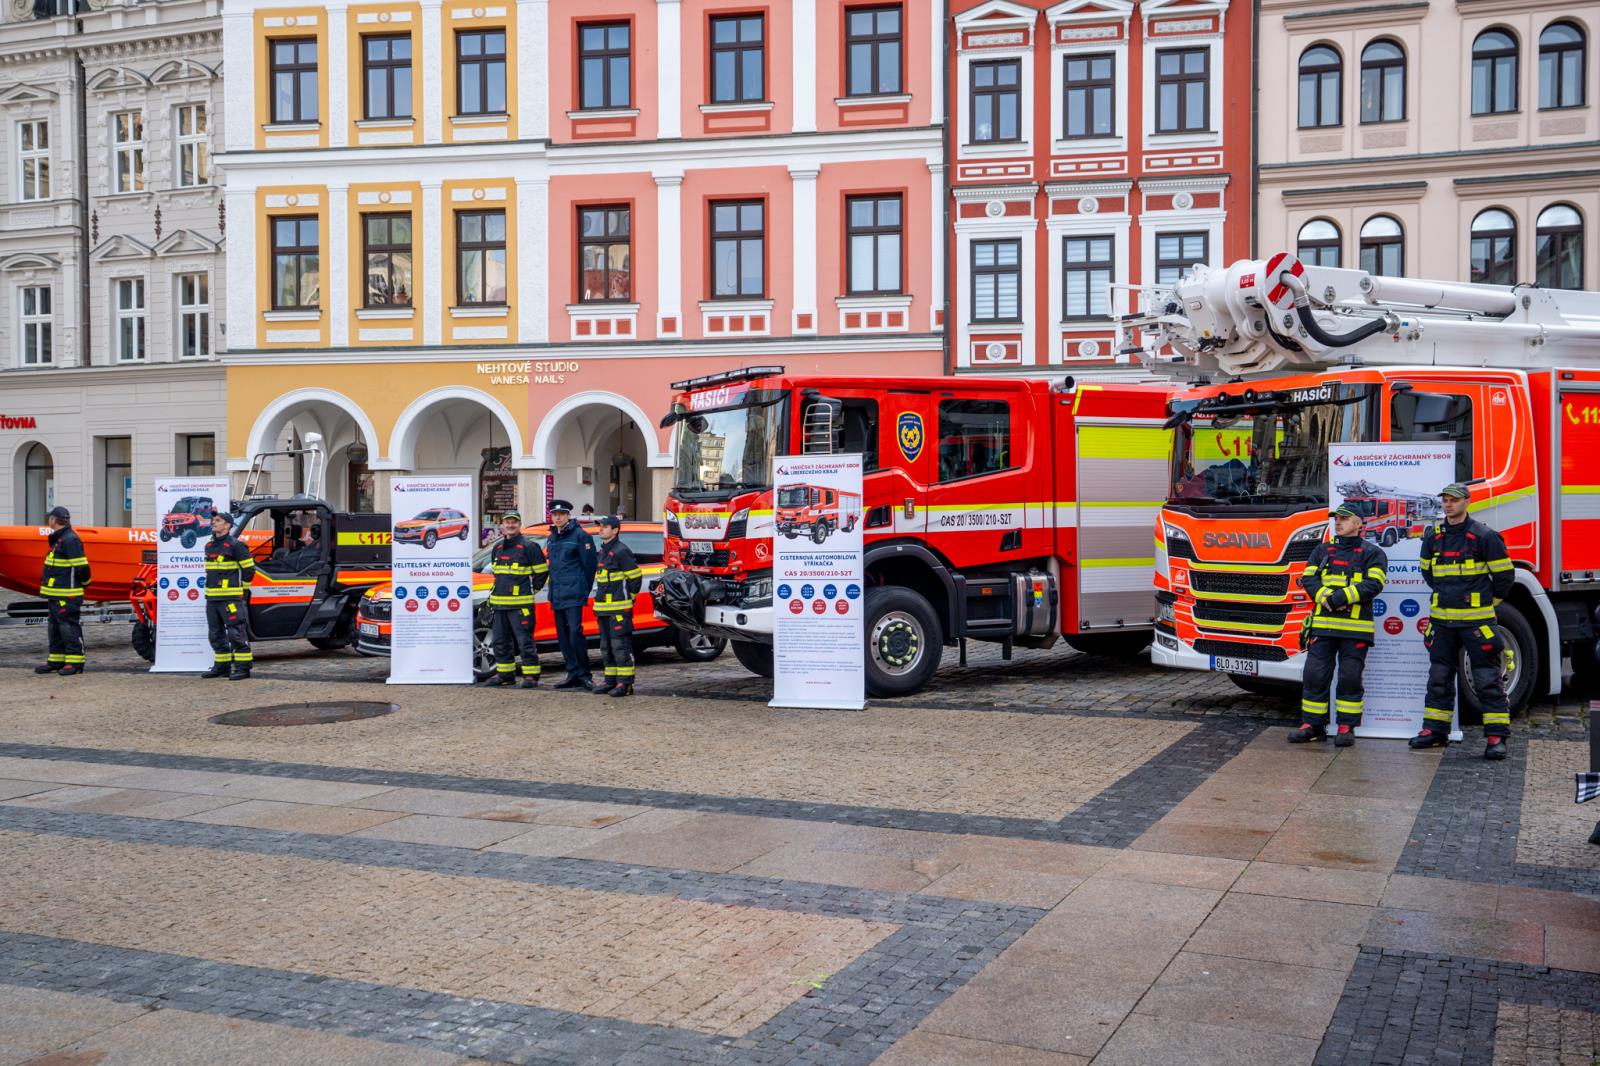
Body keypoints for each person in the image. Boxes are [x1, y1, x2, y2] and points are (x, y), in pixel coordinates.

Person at [1412, 482, 1516, 759]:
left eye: (1454, 500)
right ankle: (1435, 731)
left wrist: (1486, 605)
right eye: (1445, 500)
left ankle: (1496, 737)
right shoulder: (1432, 536)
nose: (1448, 504)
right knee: (1439, 678)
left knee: (1486, 680)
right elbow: (1428, 574)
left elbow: (1505, 578)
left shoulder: (1485, 536)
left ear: (1467, 502)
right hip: (1442, 623)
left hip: (1477, 624)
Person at [1289, 504, 1387, 746]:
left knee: (1350, 678)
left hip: (1355, 630)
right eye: (1336, 518)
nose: (1338, 522)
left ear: (1359, 523)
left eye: (1344, 518)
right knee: (1314, 676)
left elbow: (1374, 585)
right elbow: (1309, 579)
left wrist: (1340, 598)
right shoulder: (1321, 550)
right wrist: (1326, 598)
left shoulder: (1373, 553)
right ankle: (1312, 725)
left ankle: (1346, 726)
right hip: (1323, 626)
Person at [480, 509, 549, 689]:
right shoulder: (497, 548)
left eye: (514, 522)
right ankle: (505, 675)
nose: (511, 525)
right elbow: (498, 577)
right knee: (500, 642)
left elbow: (542, 573)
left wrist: (530, 592)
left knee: (524, 641)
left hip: (521, 606)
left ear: (519, 525)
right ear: (502, 525)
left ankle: (531, 676)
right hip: (499, 605)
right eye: (507, 522)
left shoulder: (529, 547)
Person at [544, 499, 597, 689]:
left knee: (575, 633)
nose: (557, 518)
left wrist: (584, 590)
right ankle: (572, 672)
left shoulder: (580, 536)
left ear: (568, 516)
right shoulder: (552, 537)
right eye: (554, 515)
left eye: (561, 514)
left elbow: (589, 566)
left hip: (574, 593)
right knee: (563, 636)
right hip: (557, 593)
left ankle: (584, 674)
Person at [592, 515, 643, 698]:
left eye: (605, 527)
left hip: (619, 610)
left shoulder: (621, 551)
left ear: (615, 530)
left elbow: (635, 578)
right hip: (604, 609)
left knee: (620, 646)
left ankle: (625, 684)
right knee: (606, 647)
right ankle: (610, 680)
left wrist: (629, 599)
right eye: (601, 526)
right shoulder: (602, 551)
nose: (601, 529)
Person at [36, 506, 90, 676]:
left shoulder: (70, 539)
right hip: (55, 594)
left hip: (67, 594)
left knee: (68, 627)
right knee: (55, 628)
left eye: (49, 518)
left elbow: (82, 567)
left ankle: (75, 662)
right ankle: (56, 659)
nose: (48, 521)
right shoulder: (59, 539)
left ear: (54, 520)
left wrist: (85, 583)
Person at [201, 510, 255, 680]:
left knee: (236, 634)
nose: (214, 522)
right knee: (215, 635)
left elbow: (249, 569)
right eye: (213, 520)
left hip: (230, 599)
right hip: (212, 599)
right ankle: (222, 667)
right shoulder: (209, 546)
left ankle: (243, 668)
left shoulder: (236, 545)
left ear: (228, 525)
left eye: (218, 520)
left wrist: (243, 590)